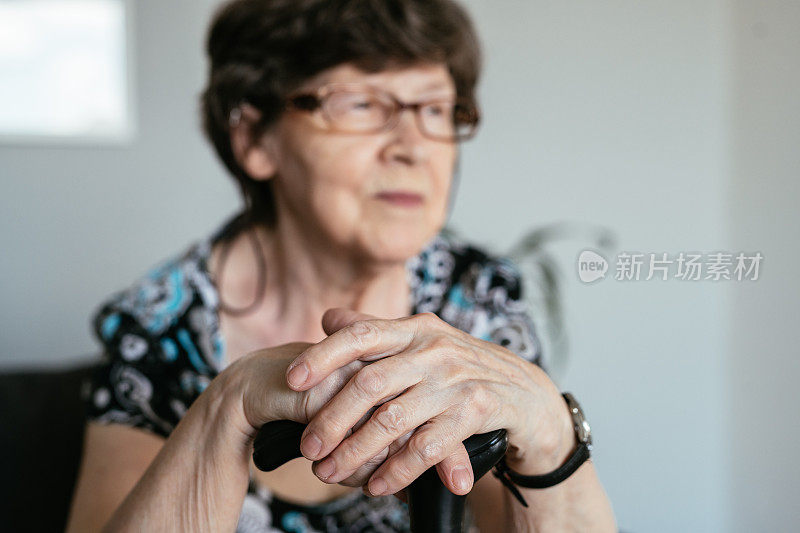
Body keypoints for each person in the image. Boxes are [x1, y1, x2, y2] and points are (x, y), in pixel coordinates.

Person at [66, 0, 617, 531]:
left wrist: (547, 425)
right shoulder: (159, 329)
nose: (413, 147)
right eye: (361, 105)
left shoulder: (475, 299)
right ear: (255, 137)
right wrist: (227, 407)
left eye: (434, 110)